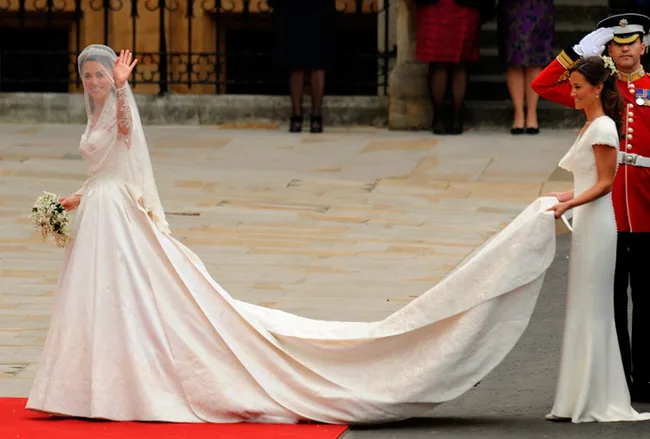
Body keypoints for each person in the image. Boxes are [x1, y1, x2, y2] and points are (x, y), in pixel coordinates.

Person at [26, 44, 565, 424]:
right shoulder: (93, 115)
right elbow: (106, 165)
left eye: (101, 75)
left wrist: (123, 93)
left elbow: (126, 138)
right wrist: (77, 196)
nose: (95, 83)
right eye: (90, 78)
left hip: (119, 220)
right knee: (100, 300)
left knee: (131, 297)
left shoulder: (116, 107)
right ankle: (86, 381)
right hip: (100, 209)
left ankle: (119, 382)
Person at [532, 13, 650, 404]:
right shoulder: (603, 90)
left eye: (633, 41)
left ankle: (646, 377)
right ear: (609, 50)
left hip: (647, 204)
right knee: (610, 297)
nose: (626, 47)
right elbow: (543, 85)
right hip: (611, 205)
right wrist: (574, 55)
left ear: (644, 45)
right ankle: (617, 376)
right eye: (618, 43)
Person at [414, 0, 496, 135]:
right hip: (449, 8)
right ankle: (455, 118)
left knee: (444, 62)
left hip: (446, 7)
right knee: (456, 63)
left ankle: (440, 117)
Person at [270, 0, 336, 134]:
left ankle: (316, 114)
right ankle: (296, 113)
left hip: (319, 9)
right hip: (291, 9)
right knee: (295, 62)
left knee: (318, 61)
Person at [497, 0, 555, 135]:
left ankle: (532, 113)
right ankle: (518, 113)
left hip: (539, 6)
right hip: (512, 7)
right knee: (513, 57)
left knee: (535, 57)